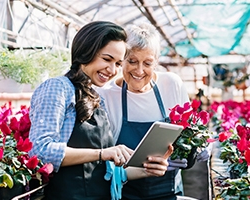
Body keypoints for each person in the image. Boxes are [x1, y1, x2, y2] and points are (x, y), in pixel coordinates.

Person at [28, 21, 172, 200]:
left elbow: (107, 173)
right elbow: (39, 150)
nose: (112, 70)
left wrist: (147, 170)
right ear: (86, 52)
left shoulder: (97, 97)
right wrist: (102, 153)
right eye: (107, 59)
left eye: (119, 64)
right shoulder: (58, 88)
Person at [97, 23, 208, 200]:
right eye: (132, 61)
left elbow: (192, 132)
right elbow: (101, 154)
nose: (139, 70)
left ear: (156, 62)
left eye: (147, 63)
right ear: (121, 60)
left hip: (169, 189)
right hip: (125, 192)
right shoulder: (107, 95)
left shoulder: (171, 84)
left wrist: (191, 153)